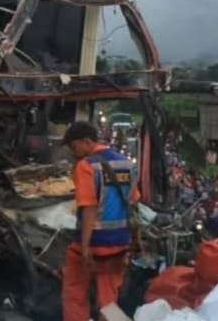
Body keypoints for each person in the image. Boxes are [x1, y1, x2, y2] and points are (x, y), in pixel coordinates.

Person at [61, 122, 139, 321]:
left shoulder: (86, 165)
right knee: (109, 299)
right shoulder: (125, 163)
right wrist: (134, 238)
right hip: (119, 243)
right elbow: (133, 202)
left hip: (92, 243)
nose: (73, 152)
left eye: (74, 146)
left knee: (75, 293)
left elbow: (89, 207)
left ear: (86, 142)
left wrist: (86, 246)